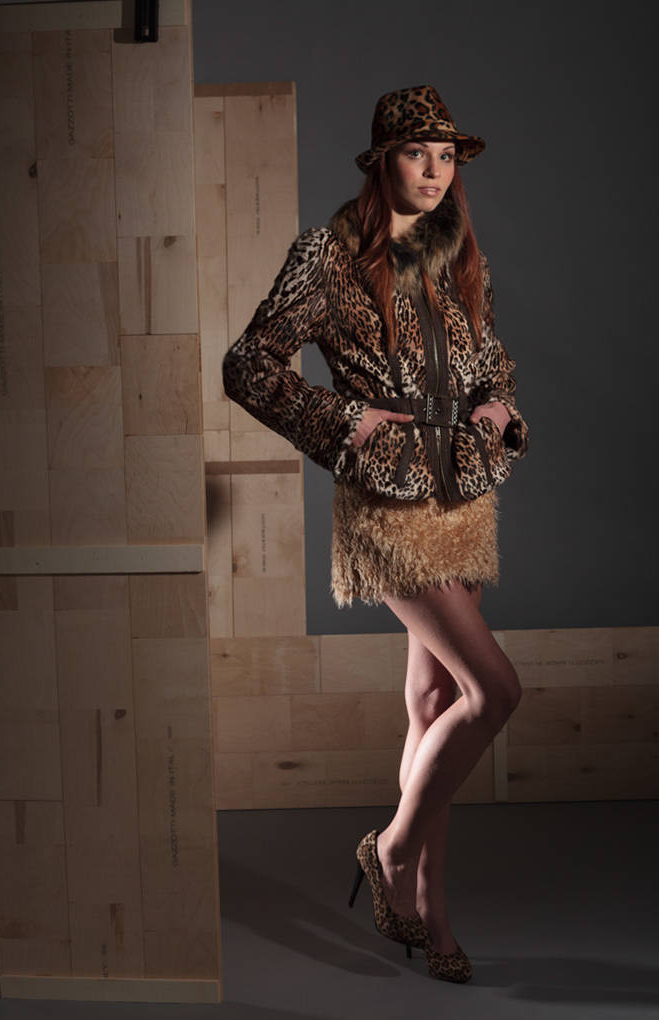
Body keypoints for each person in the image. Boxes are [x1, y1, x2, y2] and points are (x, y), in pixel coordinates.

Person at [222, 84, 529, 985]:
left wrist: (500, 407)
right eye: (414, 153)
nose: (432, 171)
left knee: (432, 705)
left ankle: (429, 914)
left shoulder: (458, 253)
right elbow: (248, 364)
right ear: (380, 160)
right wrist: (340, 418)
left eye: (445, 157)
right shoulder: (328, 255)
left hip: (463, 497)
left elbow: (489, 362)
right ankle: (391, 851)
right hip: (389, 503)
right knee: (494, 691)